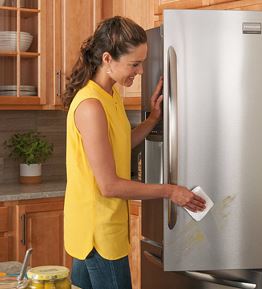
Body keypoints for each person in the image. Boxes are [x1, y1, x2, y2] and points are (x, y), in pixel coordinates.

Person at [62, 16, 206, 289]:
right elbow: (109, 185)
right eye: (134, 64)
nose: (140, 71)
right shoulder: (91, 106)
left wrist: (152, 120)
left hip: (95, 230)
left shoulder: (110, 95)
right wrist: (170, 191)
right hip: (99, 235)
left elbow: (119, 144)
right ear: (107, 59)